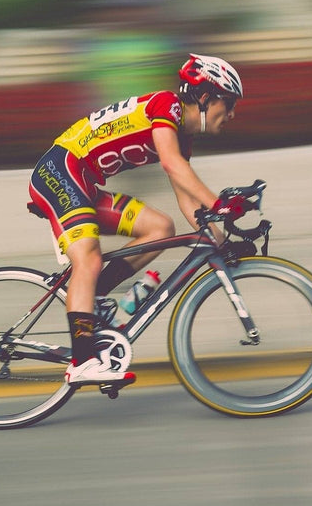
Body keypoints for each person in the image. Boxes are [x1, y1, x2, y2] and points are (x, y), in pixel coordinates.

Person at [28, 53, 247, 386]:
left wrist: (219, 240)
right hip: (61, 170)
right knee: (87, 257)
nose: (231, 114)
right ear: (205, 96)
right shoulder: (167, 106)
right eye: (228, 103)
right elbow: (172, 166)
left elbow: (186, 197)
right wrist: (219, 202)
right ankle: (82, 362)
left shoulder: (181, 137)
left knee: (161, 227)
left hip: (83, 184)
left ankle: (94, 295)